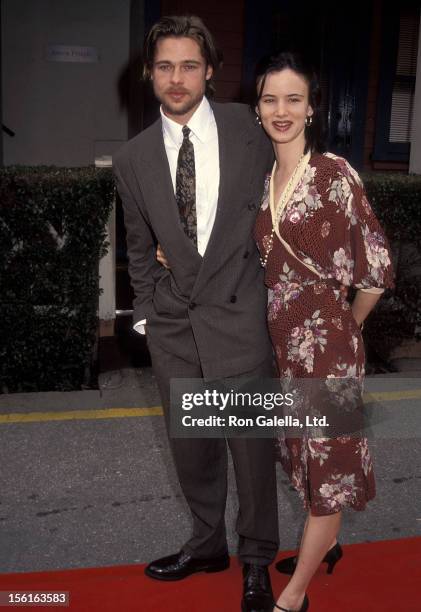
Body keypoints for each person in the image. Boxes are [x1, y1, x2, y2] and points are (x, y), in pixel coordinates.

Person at [113, 15, 279, 612]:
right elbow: (137, 248)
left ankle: (257, 560)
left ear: (210, 71)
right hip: (176, 325)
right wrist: (152, 315)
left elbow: (290, 194)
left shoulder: (251, 128)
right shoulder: (132, 158)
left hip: (241, 313)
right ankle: (206, 544)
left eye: (188, 65)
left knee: (252, 450)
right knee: (194, 448)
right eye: (164, 66)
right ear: (149, 74)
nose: (176, 79)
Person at [253, 51, 394, 612]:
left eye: (293, 99)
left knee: (328, 466)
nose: (281, 110)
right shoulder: (268, 179)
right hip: (287, 354)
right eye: (270, 99)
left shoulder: (333, 172)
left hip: (327, 352)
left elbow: (377, 268)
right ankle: (324, 546)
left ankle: (295, 595)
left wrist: (343, 330)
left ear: (312, 108)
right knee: (304, 459)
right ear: (257, 108)